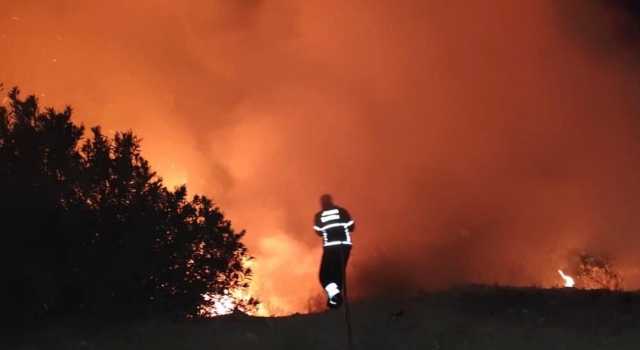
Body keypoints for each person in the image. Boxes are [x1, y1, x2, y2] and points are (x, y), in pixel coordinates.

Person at [313, 194, 355, 309]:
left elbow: (319, 232)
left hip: (331, 247)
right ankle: (335, 300)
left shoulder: (319, 216)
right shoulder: (342, 211)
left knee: (325, 275)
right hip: (345, 246)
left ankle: (335, 296)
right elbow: (351, 227)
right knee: (338, 273)